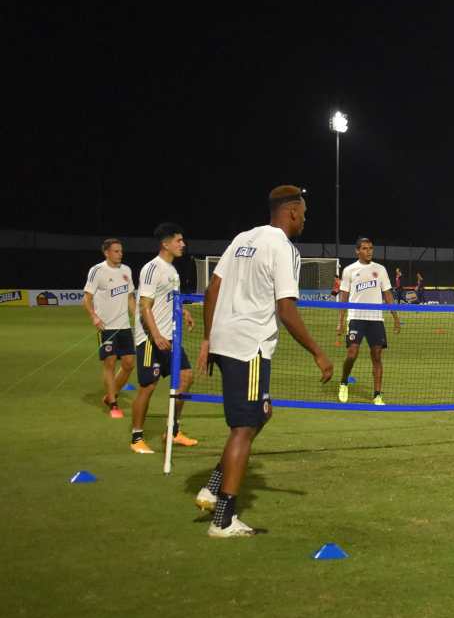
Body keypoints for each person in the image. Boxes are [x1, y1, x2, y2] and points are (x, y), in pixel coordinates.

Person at [195, 186, 334, 537]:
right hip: (250, 346)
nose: (304, 218)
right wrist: (318, 352)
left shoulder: (244, 237)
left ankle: (213, 484)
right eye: (303, 212)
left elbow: (212, 289)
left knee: (262, 412)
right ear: (290, 212)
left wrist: (209, 339)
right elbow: (285, 310)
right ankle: (223, 519)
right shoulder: (283, 248)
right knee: (244, 428)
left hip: (226, 342)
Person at [130, 223, 199, 454]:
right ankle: (136, 438)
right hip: (150, 338)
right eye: (178, 241)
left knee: (186, 376)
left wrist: (184, 312)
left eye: (182, 241)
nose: (183, 244)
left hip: (169, 336)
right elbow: (144, 306)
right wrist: (155, 334)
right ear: (165, 244)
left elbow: (169, 301)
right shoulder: (152, 268)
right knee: (148, 386)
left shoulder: (172, 270)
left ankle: (172, 430)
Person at [336, 237, 402, 405]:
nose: (369, 251)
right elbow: (343, 297)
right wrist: (341, 321)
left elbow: (387, 295)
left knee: (377, 356)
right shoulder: (349, 270)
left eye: (371, 248)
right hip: (356, 317)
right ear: (357, 251)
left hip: (375, 319)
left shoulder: (380, 270)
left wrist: (395, 318)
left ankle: (377, 394)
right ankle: (344, 382)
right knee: (352, 354)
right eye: (365, 248)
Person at [82, 238, 137, 418]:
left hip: (124, 327)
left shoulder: (126, 270)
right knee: (110, 362)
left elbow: (130, 298)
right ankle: (113, 403)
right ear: (106, 253)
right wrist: (94, 316)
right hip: (106, 327)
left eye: (121, 251)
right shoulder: (97, 271)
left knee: (129, 364)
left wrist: (138, 317)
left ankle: (110, 394)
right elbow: (87, 298)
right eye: (116, 251)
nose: (120, 254)